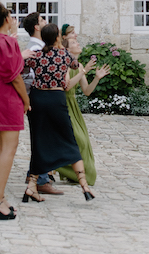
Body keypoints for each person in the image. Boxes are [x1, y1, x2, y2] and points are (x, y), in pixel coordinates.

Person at [23, 23, 95, 203]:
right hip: (56, 98)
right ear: (57, 38)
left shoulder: (36, 55)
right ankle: (84, 185)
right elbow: (75, 64)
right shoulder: (64, 55)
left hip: (38, 99)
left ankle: (31, 186)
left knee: (39, 142)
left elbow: (21, 68)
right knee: (69, 139)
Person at [0, 2, 30, 220]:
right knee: (9, 148)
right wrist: (26, 100)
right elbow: (14, 76)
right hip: (6, 95)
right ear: (6, 19)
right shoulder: (5, 41)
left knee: (3, 148)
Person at [56, 26, 108, 186]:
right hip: (63, 104)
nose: (77, 43)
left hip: (73, 105)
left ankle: (78, 173)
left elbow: (86, 91)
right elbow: (67, 86)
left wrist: (97, 78)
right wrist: (84, 71)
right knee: (78, 139)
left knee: (83, 140)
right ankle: (57, 166)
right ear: (67, 48)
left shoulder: (78, 65)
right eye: (73, 42)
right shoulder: (65, 63)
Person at [20, 12, 56, 195]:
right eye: (42, 20)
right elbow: (34, 75)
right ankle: (41, 178)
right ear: (36, 26)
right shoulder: (36, 48)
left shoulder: (38, 46)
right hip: (38, 94)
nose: (45, 22)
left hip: (36, 94)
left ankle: (34, 173)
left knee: (41, 136)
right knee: (43, 137)